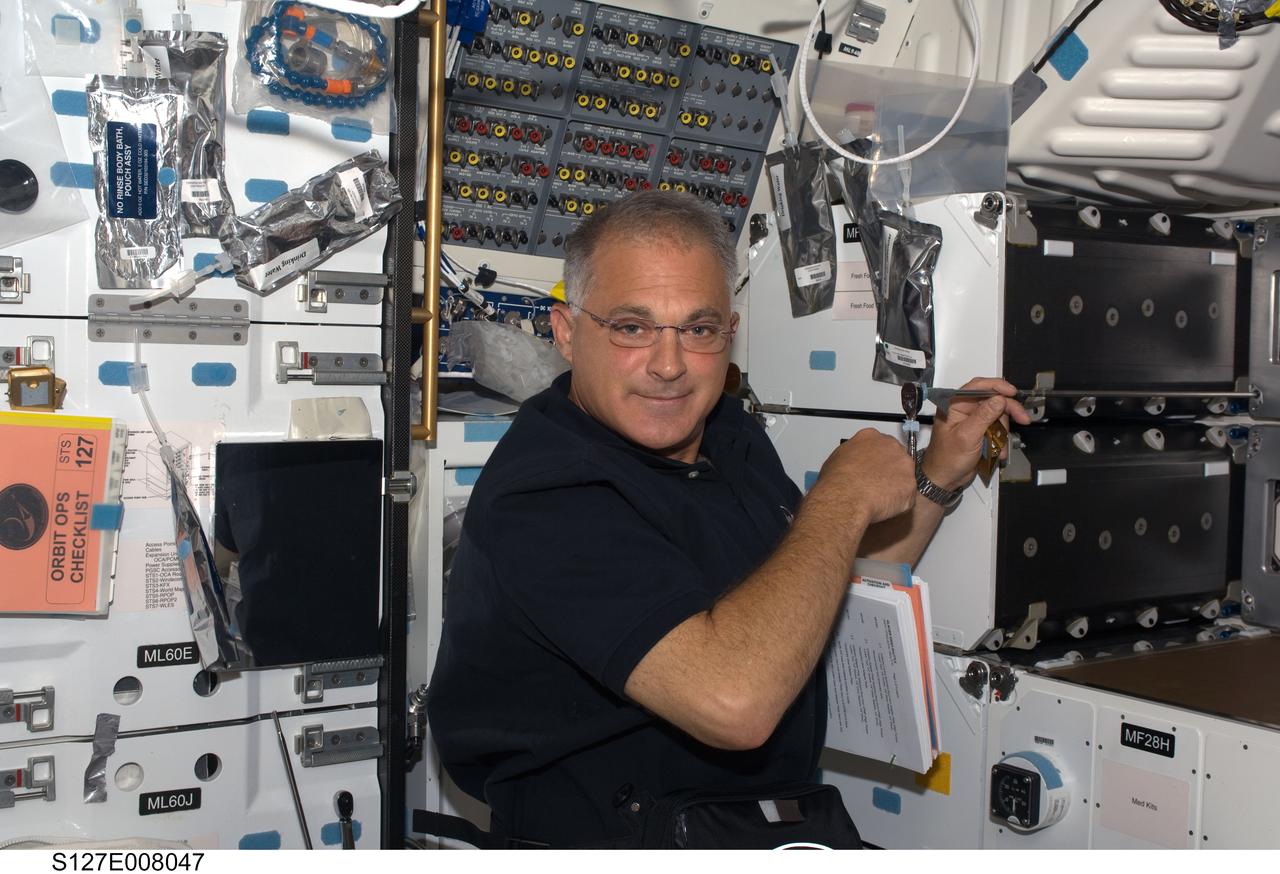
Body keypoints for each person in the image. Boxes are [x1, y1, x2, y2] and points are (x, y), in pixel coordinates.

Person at [426, 190, 1029, 847]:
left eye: (698, 330)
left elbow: (816, 592)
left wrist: (937, 475)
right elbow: (735, 703)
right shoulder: (546, 495)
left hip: (758, 828)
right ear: (567, 332)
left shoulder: (727, 435)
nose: (669, 365)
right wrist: (843, 497)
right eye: (632, 327)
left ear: (729, 333)